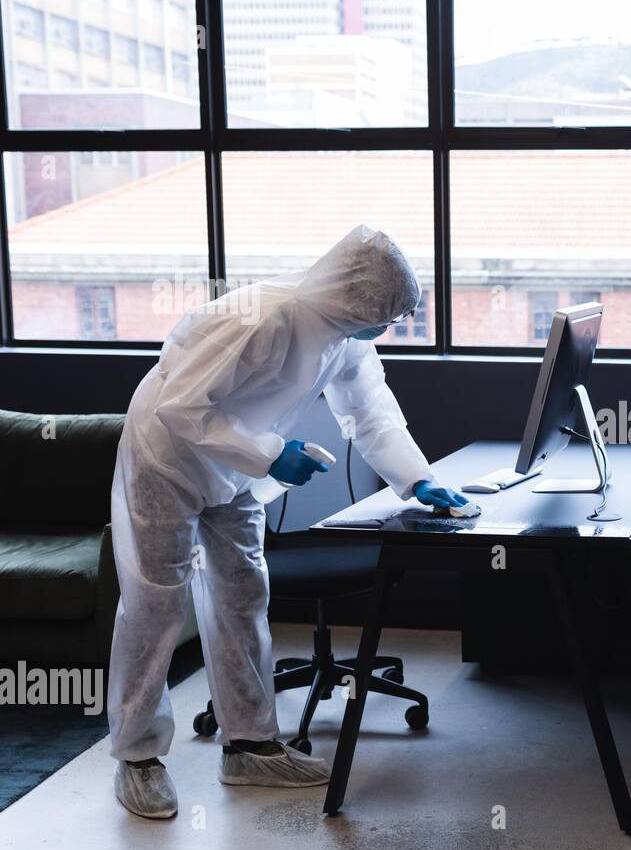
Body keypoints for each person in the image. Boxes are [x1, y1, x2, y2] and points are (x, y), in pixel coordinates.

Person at [109, 225, 471, 819]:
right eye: (386, 311)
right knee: (156, 606)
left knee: (243, 594)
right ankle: (137, 757)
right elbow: (181, 406)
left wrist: (417, 479)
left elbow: (371, 411)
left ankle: (249, 746)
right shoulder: (263, 321)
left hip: (234, 466)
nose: (390, 322)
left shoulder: (346, 334)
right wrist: (273, 455)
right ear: (354, 299)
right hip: (165, 458)